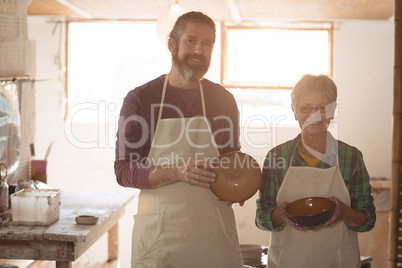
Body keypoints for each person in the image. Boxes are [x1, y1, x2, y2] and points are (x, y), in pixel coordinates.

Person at [114, 11, 243, 268]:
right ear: (172, 44)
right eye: (191, 41)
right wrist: (175, 171)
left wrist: (237, 187)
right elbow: (124, 170)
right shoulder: (140, 100)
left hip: (213, 236)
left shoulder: (223, 100)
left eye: (207, 44)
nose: (199, 50)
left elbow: (232, 161)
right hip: (160, 240)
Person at [255, 74, 376, 268]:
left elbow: (368, 219)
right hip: (287, 262)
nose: (315, 115)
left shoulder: (351, 157)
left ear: (333, 111)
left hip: (338, 262)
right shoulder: (277, 157)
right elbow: (261, 218)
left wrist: (345, 213)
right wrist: (280, 214)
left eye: (322, 108)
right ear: (294, 112)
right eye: (305, 108)